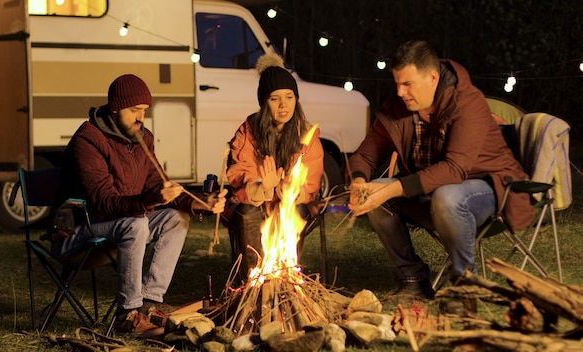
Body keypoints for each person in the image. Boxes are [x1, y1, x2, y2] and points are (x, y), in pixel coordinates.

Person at [347, 40, 536, 299]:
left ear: (432, 78)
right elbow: (364, 155)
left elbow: (454, 169)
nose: (400, 92)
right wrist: (358, 182)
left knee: (447, 196)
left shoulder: (467, 102)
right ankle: (413, 279)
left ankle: (465, 286)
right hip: (430, 192)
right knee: (377, 195)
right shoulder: (398, 109)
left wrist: (395, 188)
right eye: (397, 83)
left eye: (407, 84)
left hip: (489, 188)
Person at [52, 74, 227, 337]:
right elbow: (104, 201)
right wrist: (150, 200)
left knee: (175, 218)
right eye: (134, 110)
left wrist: (201, 203)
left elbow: (160, 183)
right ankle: (127, 315)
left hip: (119, 223)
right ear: (115, 108)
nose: (140, 117)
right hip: (79, 229)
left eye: (144, 111)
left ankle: (149, 302)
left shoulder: (142, 139)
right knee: (136, 223)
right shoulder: (88, 141)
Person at [226, 53, 324, 279]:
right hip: (255, 201)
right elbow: (240, 173)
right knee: (248, 212)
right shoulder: (249, 131)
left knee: (292, 210)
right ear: (264, 102)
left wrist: (292, 190)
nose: (283, 105)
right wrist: (263, 187)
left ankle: (287, 278)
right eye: (274, 98)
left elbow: (311, 184)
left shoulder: (307, 136)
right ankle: (254, 279)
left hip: (289, 203)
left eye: (289, 97)